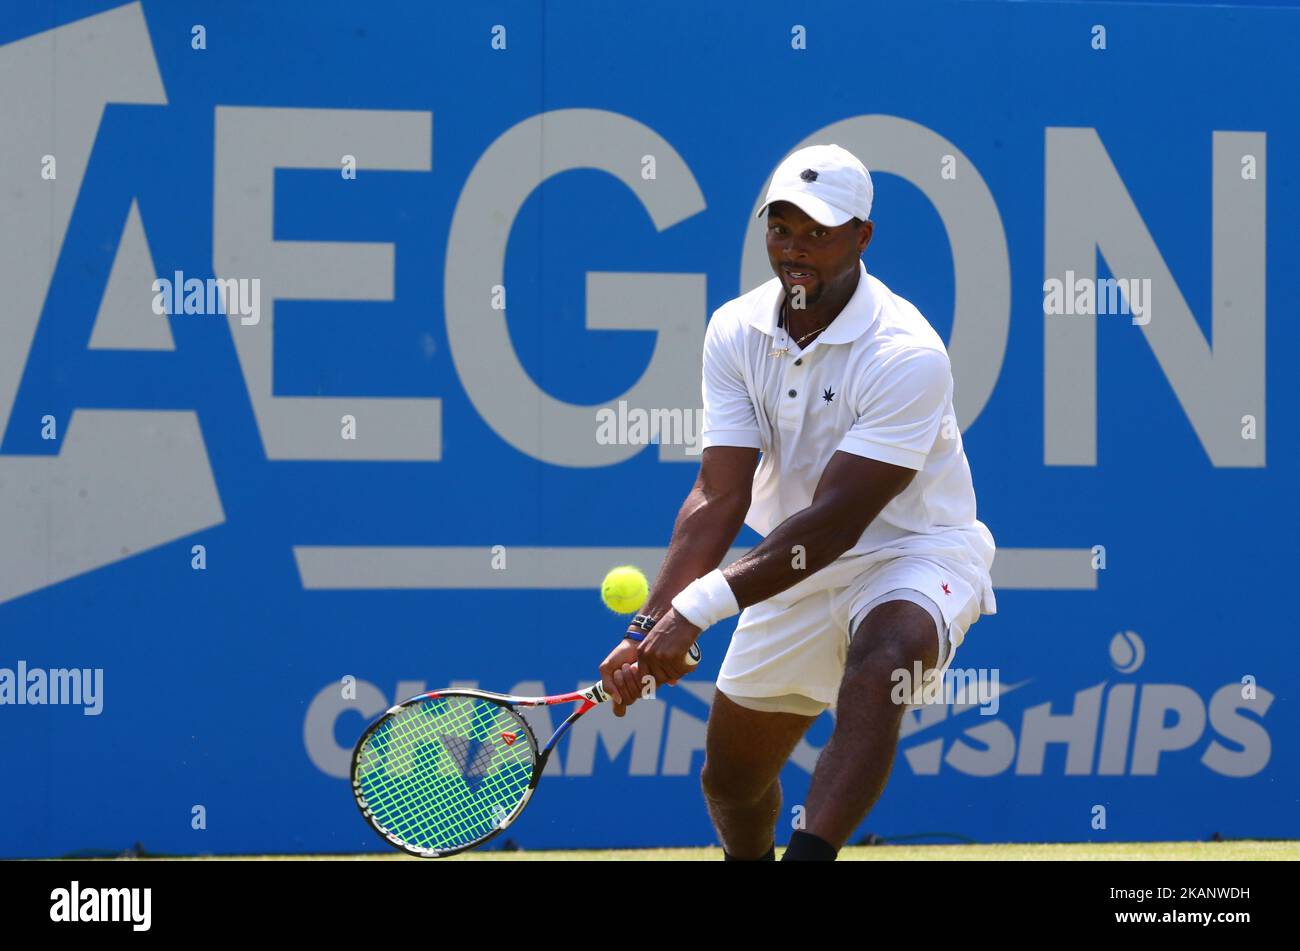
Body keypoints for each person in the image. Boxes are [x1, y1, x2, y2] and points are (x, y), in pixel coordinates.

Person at [597, 144, 996, 861]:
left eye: (818, 231)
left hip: (913, 551)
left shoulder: (907, 351)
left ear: (862, 237)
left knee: (884, 661)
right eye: (781, 229)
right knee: (732, 784)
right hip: (790, 561)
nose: (795, 249)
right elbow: (719, 495)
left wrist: (698, 609)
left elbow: (840, 522)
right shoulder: (735, 330)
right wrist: (650, 621)